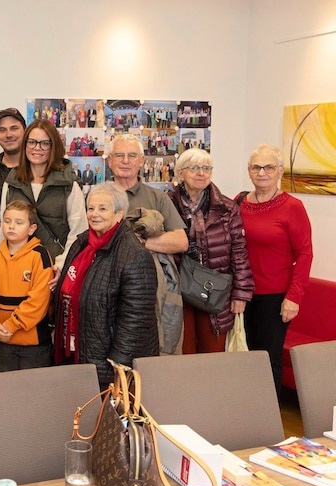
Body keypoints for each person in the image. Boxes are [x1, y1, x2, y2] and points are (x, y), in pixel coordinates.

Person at [53, 182, 159, 389]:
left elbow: (135, 320)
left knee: (108, 420)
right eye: (91, 208)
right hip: (78, 353)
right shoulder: (82, 244)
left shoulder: (134, 255)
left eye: (103, 208)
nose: (94, 214)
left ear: (119, 214)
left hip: (109, 369)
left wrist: (117, 364)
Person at [239, 144, 313, 395]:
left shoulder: (292, 206)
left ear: (280, 171)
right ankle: (247, 410)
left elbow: (305, 253)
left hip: (274, 296)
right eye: (256, 167)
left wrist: (294, 297)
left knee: (268, 357)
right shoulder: (239, 201)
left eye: (269, 167)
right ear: (249, 171)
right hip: (241, 294)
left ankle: (268, 417)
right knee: (243, 354)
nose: (262, 172)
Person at [168, 148, 254, 353]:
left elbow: (239, 252)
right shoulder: (167, 203)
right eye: (195, 168)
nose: (201, 173)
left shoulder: (227, 207)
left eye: (206, 168)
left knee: (213, 355)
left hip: (215, 291)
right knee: (182, 352)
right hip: (179, 290)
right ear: (181, 173)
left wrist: (240, 294)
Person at [0, 119, 87, 268]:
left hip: (56, 267)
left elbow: (79, 232)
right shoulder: (11, 182)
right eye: (32, 142)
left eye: (45, 143)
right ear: (25, 144)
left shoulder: (69, 184)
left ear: (54, 146)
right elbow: (4, 228)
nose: (37, 148)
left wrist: (61, 266)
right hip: (17, 266)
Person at [0, 201, 53, 372]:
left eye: (19, 223)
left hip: (34, 345)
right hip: (2, 341)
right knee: (6, 393)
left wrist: (11, 325)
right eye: (7, 221)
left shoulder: (40, 256)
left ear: (31, 229)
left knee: (32, 394)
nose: (12, 226)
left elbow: (38, 301)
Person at [107, 133, 188, 254]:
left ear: (141, 160)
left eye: (132, 155)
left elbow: (180, 242)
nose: (125, 161)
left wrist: (140, 241)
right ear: (110, 160)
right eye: (119, 155)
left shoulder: (158, 198)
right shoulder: (95, 197)